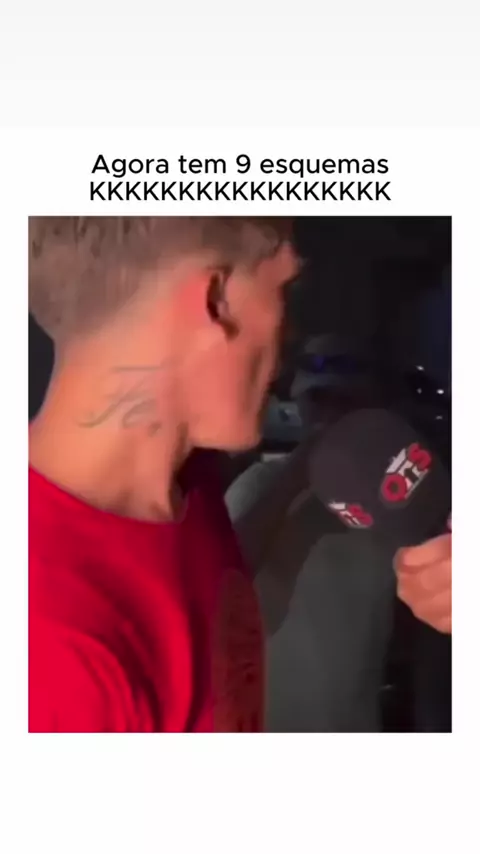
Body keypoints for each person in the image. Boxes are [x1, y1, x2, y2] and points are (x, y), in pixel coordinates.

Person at [28, 215, 299, 733]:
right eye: (283, 287)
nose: (291, 331)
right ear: (216, 301)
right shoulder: (51, 663)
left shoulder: (182, 477)